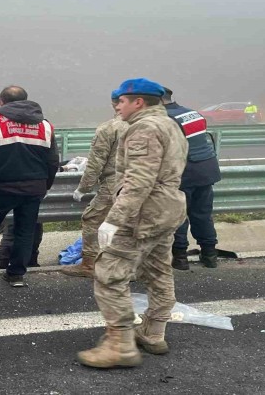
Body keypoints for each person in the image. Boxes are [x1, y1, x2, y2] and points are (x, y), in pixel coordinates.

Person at [76, 78, 187, 369]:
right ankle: (153, 332)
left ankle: (120, 344)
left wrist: (113, 221)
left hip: (142, 215)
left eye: (122, 101)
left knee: (109, 274)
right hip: (167, 210)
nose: (117, 106)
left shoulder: (143, 129)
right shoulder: (170, 125)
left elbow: (138, 182)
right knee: (159, 270)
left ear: (138, 102)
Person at [0, 86, 59, 288]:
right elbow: (53, 161)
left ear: (1, 102)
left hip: (0, 188)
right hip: (34, 188)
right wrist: (45, 185)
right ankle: (16, 275)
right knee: (25, 231)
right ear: (26, 100)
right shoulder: (46, 126)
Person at [61, 97, 128, 278]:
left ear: (115, 104)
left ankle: (89, 264)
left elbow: (96, 162)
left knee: (92, 219)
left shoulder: (109, 128)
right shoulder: (149, 126)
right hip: (143, 182)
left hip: (114, 182)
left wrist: (83, 188)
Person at [162, 87, 221, 270]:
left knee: (178, 216)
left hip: (184, 172)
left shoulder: (165, 119)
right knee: (202, 214)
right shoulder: (191, 113)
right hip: (206, 169)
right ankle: (210, 255)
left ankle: (180, 258)